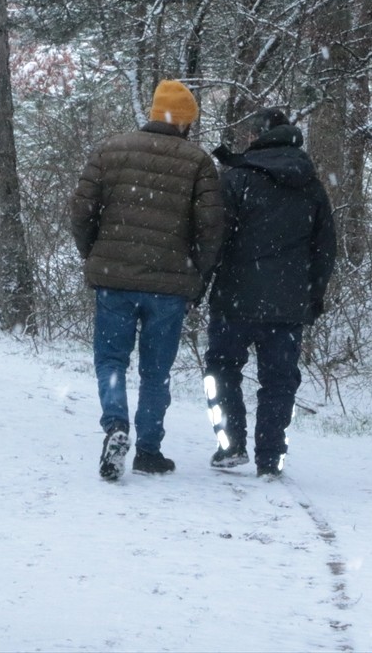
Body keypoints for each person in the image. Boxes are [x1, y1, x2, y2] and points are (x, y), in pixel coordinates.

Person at [70, 79, 224, 481]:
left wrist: (96, 255)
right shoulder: (198, 162)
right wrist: (199, 278)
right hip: (170, 285)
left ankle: (116, 425)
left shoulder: (110, 150)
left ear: (154, 114)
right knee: (156, 371)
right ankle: (149, 450)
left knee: (111, 360)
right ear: (186, 123)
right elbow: (211, 229)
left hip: (114, 279)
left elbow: (81, 212)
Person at [203, 107, 336, 478]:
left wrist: (197, 287)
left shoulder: (237, 179)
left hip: (234, 297)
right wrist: (313, 294)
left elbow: (215, 239)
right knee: (279, 381)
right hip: (287, 303)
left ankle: (231, 445)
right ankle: (271, 457)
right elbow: (325, 247)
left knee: (221, 370)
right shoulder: (310, 184)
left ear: (256, 136)